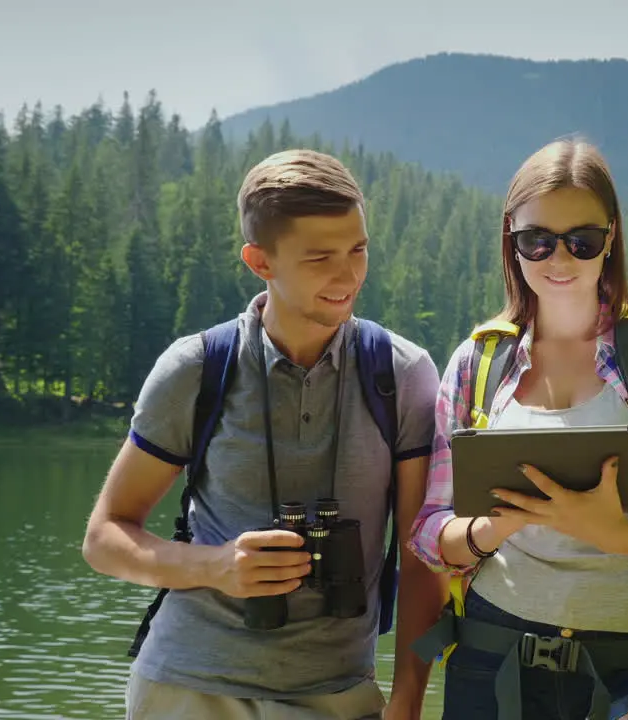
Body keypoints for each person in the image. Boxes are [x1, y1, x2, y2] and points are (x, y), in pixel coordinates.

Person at [82, 149, 446, 720]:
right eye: (320, 256)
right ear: (260, 261)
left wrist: (405, 705)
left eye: (358, 249)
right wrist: (216, 566)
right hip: (186, 688)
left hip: (339, 695)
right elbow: (104, 538)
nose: (348, 275)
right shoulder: (196, 368)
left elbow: (421, 556)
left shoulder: (401, 374)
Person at [407, 138, 628, 720]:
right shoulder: (476, 364)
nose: (559, 260)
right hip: (491, 653)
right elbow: (430, 533)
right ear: (512, 240)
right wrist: (491, 528)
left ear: (611, 239)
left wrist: (612, 532)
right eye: (536, 241)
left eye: (582, 241)